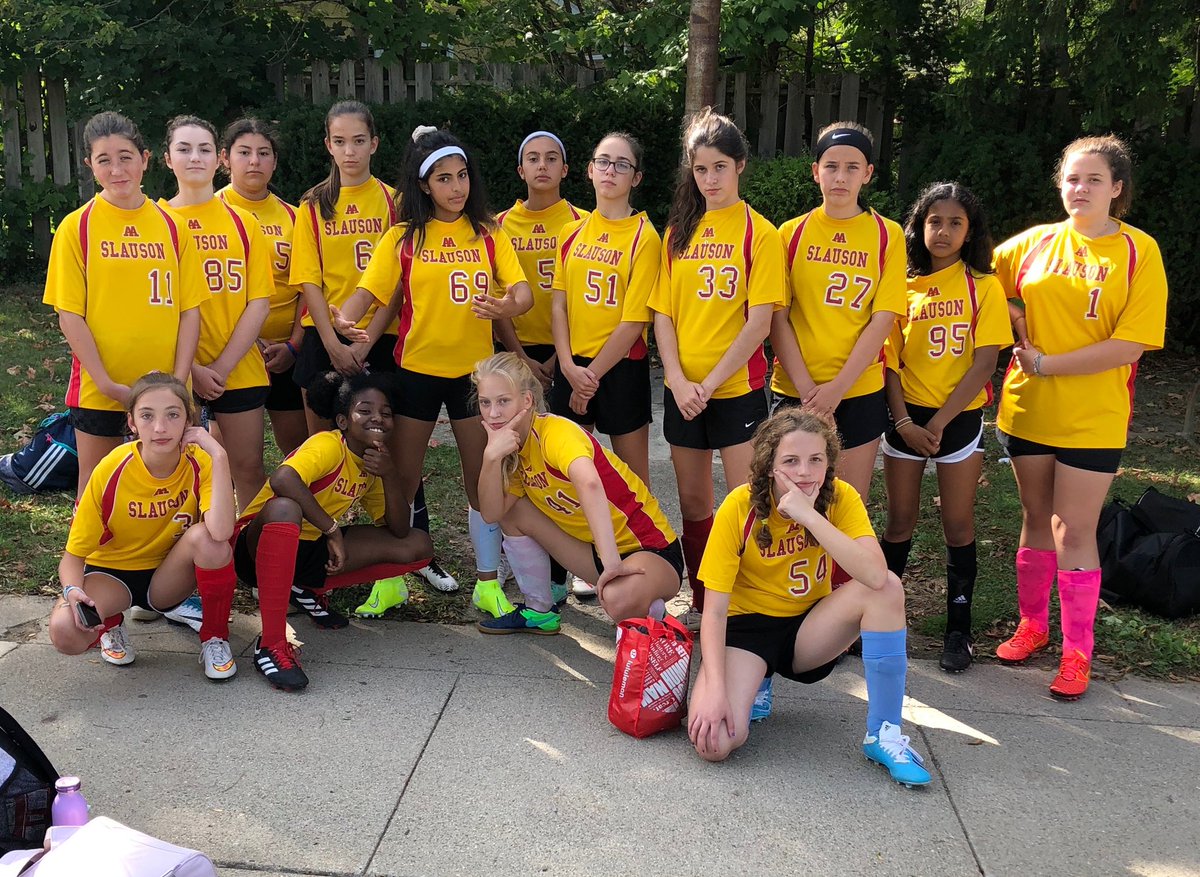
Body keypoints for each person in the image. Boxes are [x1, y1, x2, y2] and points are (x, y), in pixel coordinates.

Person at [991, 135, 1167, 700]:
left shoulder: (1139, 251)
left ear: (1117, 188)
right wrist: (1015, 317)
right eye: (1071, 178)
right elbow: (980, 282)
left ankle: (1076, 652)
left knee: (1076, 529)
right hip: (1027, 408)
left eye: (1094, 180)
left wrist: (1048, 363)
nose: (1080, 189)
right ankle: (1033, 626)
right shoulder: (1035, 244)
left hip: (1095, 415)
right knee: (1036, 518)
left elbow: (1130, 345)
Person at [331, 127, 532, 619]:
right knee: (401, 475)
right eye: (444, 178)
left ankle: (487, 582)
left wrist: (507, 302)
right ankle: (393, 580)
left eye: (462, 176)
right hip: (415, 372)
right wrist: (339, 321)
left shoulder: (488, 231)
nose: (456, 187)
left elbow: (522, 295)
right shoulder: (403, 237)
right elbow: (364, 296)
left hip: (474, 379)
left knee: (480, 477)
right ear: (424, 185)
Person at [686, 408, 931, 788]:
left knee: (887, 591)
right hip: (747, 633)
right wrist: (716, 689)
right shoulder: (739, 506)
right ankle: (756, 681)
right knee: (713, 744)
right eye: (791, 461)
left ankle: (884, 734)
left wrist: (810, 516)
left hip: (810, 628)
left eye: (816, 460)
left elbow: (875, 575)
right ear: (769, 465)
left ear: (828, 462)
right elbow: (714, 613)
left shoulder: (839, 498)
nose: (805, 472)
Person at [648, 108, 785, 631]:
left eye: (720, 167)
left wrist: (707, 383)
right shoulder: (678, 230)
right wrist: (678, 381)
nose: (710, 179)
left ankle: (749, 600)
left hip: (735, 390)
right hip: (684, 389)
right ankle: (706, 601)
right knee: (693, 499)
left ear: (740, 166)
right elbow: (663, 313)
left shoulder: (760, 232)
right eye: (701, 169)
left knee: (744, 499)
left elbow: (759, 323)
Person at [880, 182, 1012, 673]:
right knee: (899, 523)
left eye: (956, 222)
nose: (944, 230)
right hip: (905, 421)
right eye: (935, 220)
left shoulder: (984, 286)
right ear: (920, 225)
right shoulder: (902, 284)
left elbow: (983, 364)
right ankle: (882, 619)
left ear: (970, 231)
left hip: (955, 423)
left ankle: (959, 631)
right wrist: (904, 422)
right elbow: (888, 364)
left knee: (958, 524)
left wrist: (935, 423)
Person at [233, 370, 434, 691]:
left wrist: (390, 475)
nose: (377, 418)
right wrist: (332, 529)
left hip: (308, 549)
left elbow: (398, 531)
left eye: (385, 413)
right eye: (365, 411)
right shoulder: (328, 445)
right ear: (343, 421)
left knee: (418, 545)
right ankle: (271, 644)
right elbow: (282, 479)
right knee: (286, 507)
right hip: (253, 550)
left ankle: (305, 588)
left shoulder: (373, 463)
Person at [43, 111, 206, 498]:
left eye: (125, 157)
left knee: (166, 490)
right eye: (104, 160)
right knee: (97, 489)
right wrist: (107, 383)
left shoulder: (172, 226)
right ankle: (87, 561)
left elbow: (189, 310)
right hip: (102, 390)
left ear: (145, 159)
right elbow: (70, 315)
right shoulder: (76, 227)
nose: (116, 169)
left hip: (166, 394)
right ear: (90, 165)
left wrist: (179, 382)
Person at [49, 373, 239, 681]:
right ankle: (110, 624)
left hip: (167, 576)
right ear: (132, 423)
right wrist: (72, 592)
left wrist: (218, 453)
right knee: (64, 632)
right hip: (111, 575)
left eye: (173, 415)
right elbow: (73, 556)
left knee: (209, 541)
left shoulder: (201, 460)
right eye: (147, 416)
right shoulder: (112, 467)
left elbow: (220, 531)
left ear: (188, 421)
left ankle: (215, 637)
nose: (160, 428)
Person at [474, 353, 681, 633]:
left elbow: (590, 484)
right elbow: (491, 513)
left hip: (648, 549)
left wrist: (610, 565)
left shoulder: (555, 433)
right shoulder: (510, 450)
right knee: (514, 510)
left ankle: (651, 615)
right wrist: (490, 459)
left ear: (527, 401)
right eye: (485, 403)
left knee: (617, 600)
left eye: (503, 401)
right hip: (595, 552)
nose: (493, 413)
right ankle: (539, 612)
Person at [770, 121, 905, 502]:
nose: (840, 177)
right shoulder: (789, 233)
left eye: (851, 167)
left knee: (846, 502)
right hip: (796, 387)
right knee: (790, 501)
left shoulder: (887, 235)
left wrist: (836, 391)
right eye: (831, 166)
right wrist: (811, 394)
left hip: (858, 389)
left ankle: (840, 567)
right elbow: (777, 317)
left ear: (868, 174)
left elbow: (883, 319)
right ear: (815, 172)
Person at [161, 114, 273, 510]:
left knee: (247, 467)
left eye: (204, 149)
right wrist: (190, 369)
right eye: (184, 149)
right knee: (178, 470)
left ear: (219, 158)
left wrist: (222, 367)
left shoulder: (244, 223)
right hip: (175, 370)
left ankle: (254, 556)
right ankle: (190, 559)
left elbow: (259, 301)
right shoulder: (156, 222)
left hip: (237, 368)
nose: (195, 157)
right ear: (167, 159)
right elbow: (155, 308)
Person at [550, 131, 659, 487]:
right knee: (567, 473)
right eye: (603, 162)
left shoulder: (644, 237)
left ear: (636, 178)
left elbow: (633, 322)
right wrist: (566, 366)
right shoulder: (571, 232)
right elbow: (558, 305)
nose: (610, 170)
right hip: (572, 368)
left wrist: (589, 379)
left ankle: (645, 545)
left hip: (620, 368)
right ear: (590, 170)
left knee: (632, 480)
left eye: (622, 164)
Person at [289, 100, 399, 434]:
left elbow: (398, 286)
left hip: (380, 334)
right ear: (328, 145)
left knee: (382, 447)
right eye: (340, 141)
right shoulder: (313, 204)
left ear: (374, 144)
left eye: (359, 140)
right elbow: (308, 281)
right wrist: (332, 344)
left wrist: (365, 344)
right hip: (323, 334)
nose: (349, 151)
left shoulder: (395, 202)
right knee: (323, 445)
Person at [218, 117, 308, 456]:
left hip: (285, 354)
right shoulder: (207, 213)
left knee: (299, 451)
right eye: (244, 152)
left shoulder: (296, 217)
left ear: (274, 161)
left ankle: (298, 510)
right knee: (228, 458)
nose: (254, 161)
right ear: (224, 158)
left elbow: (309, 289)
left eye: (263, 153)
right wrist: (243, 344)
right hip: (228, 354)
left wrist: (294, 347)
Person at [496, 130, 586, 386]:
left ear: (565, 169)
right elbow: (496, 298)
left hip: (571, 347)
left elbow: (585, 302)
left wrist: (560, 358)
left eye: (551, 158)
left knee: (564, 426)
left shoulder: (584, 223)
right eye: (533, 159)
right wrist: (520, 357)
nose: (543, 165)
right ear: (521, 170)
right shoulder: (498, 226)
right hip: (513, 346)